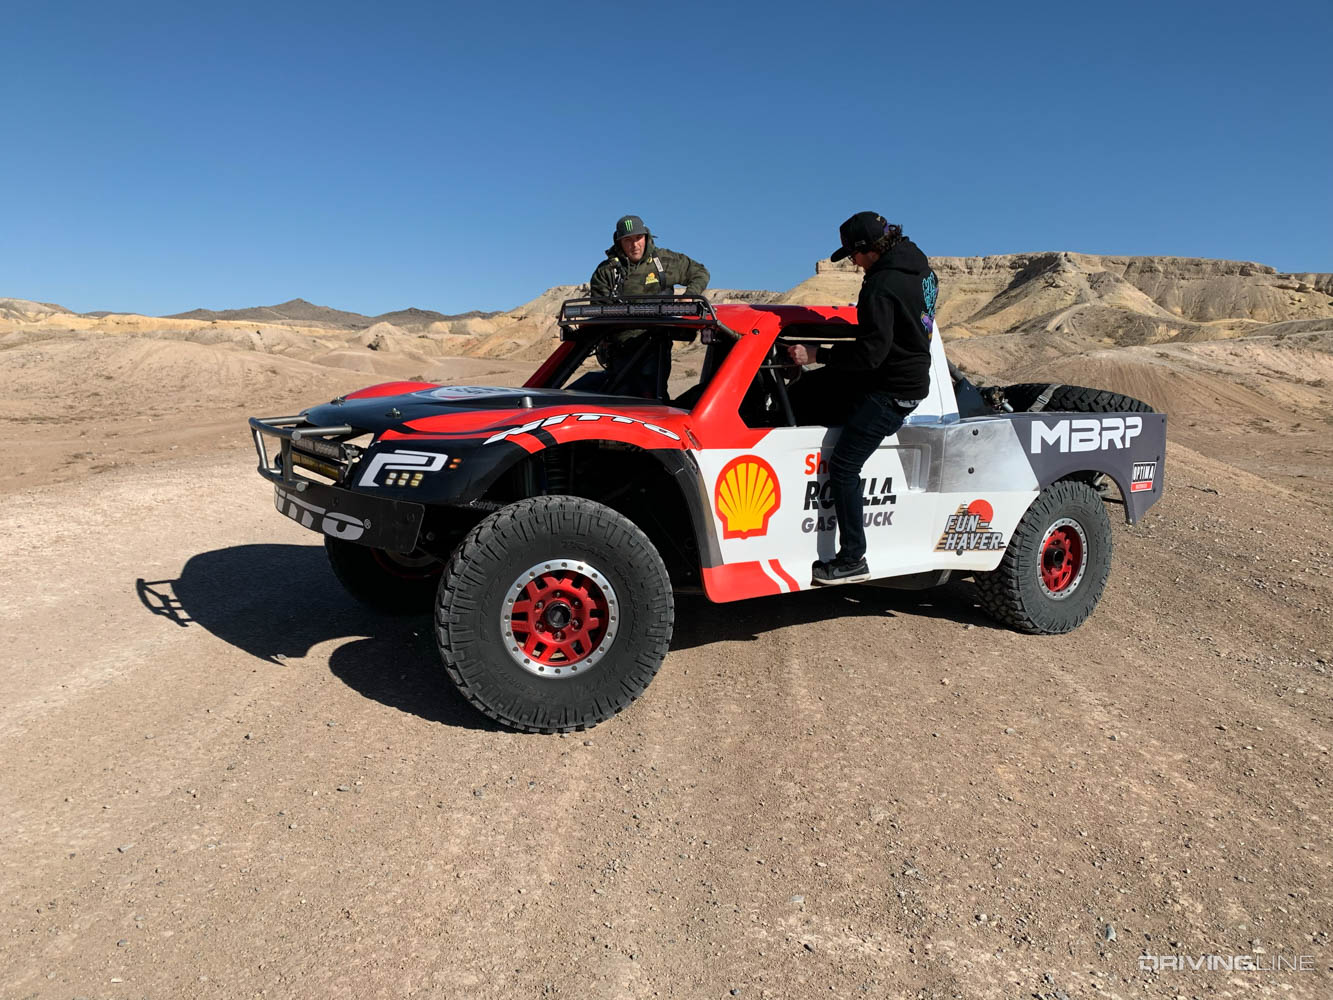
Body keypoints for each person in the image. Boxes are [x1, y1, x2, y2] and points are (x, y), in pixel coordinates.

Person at [787, 211, 938, 586]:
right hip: (905, 376)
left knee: (843, 467)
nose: (852, 264)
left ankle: (853, 558)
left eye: (853, 256)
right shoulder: (920, 266)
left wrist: (817, 354)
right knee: (811, 390)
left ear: (868, 250)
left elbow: (871, 353)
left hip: (892, 392)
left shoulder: (880, 286)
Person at [581, 215, 710, 398]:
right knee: (619, 397)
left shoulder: (665, 262)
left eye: (638, 238)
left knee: (652, 396)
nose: (634, 245)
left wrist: (689, 296)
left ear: (646, 237)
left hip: (656, 344)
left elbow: (700, 272)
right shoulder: (607, 272)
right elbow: (599, 312)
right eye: (628, 240)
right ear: (619, 242)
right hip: (619, 349)